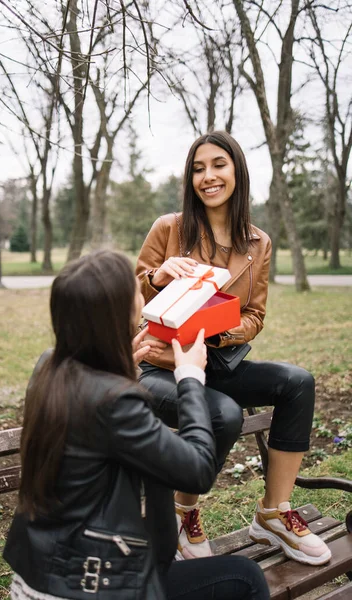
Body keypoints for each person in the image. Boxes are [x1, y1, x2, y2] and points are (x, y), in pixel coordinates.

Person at [3, 249, 270, 600]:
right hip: (91, 585)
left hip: (40, 575)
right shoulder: (115, 400)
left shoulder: (50, 367)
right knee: (246, 578)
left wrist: (118, 369)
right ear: (115, 316)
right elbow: (198, 470)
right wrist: (189, 377)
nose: (142, 297)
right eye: (134, 291)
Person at [136, 130, 331, 567]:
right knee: (220, 412)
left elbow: (255, 315)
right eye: (198, 168)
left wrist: (221, 331)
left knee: (297, 382)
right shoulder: (169, 228)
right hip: (162, 366)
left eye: (218, 165)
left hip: (218, 358)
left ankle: (273, 514)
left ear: (237, 171)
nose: (208, 176)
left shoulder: (257, 243)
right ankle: (184, 513)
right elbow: (131, 296)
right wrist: (157, 277)